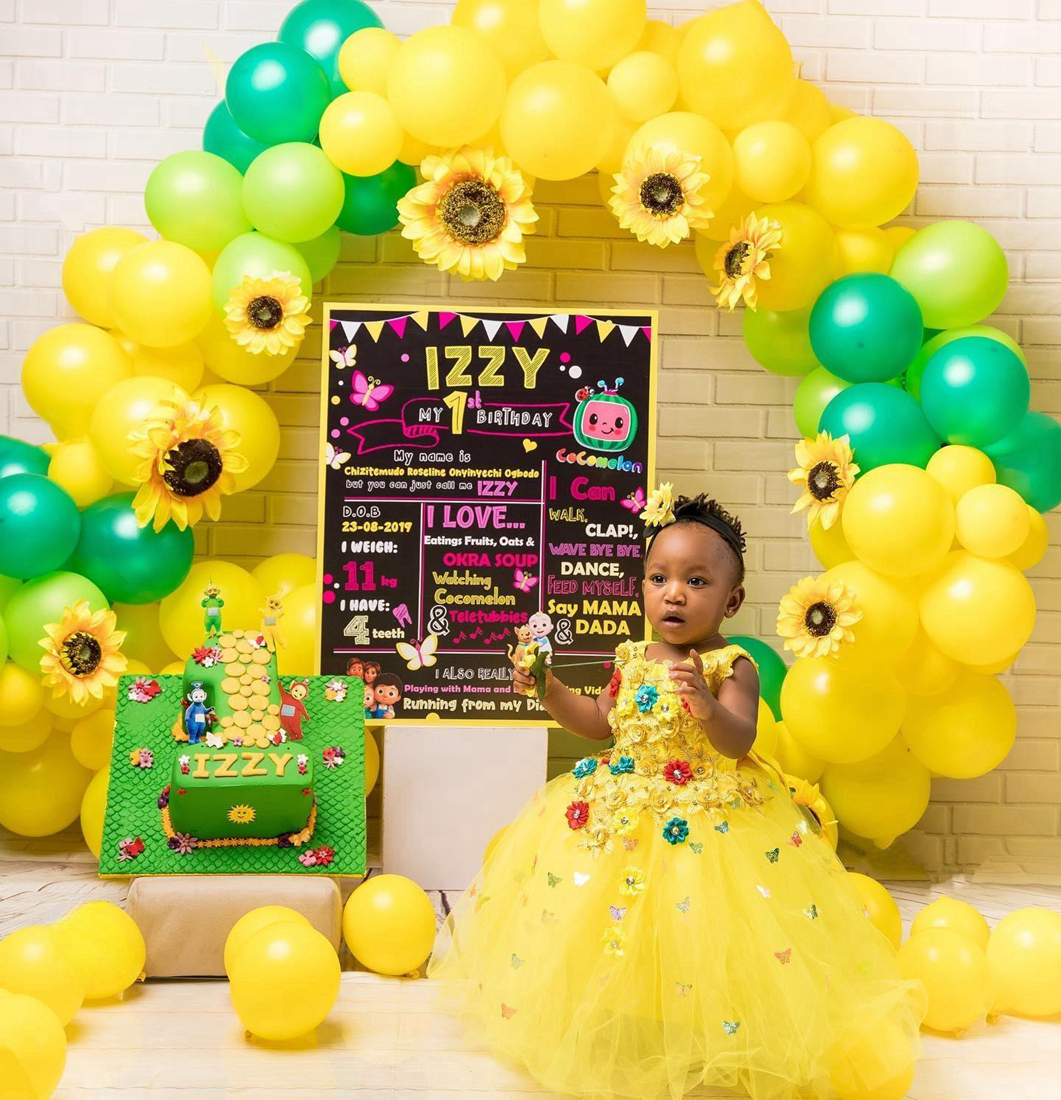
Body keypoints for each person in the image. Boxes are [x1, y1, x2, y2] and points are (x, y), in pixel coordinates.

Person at [427, 488, 927, 1100]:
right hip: (621, 812)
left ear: (731, 599)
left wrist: (708, 704)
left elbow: (738, 740)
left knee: (704, 925)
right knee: (607, 921)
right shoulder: (632, 658)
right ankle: (621, 1018)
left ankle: (711, 1030)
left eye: (696, 581)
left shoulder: (730, 664)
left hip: (709, 817)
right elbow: (597, 722)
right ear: (642, 586)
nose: (674, 593)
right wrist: (549, 688)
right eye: (659, 577)